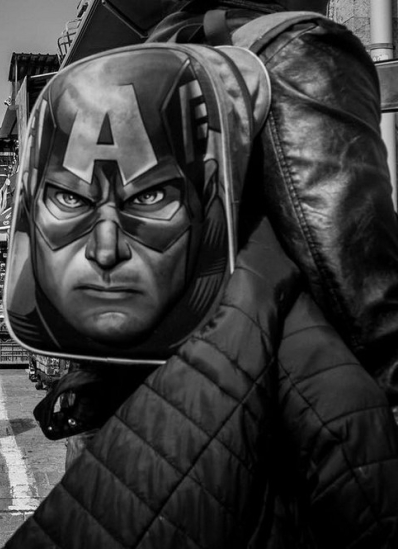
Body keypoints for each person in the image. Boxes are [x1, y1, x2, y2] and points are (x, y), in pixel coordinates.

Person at [4, 43, 398, 547]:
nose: (105, 250)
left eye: (150, 197)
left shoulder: (160, 44)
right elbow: (346, 253)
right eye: (70, 198)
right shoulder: (298, 45)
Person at [143, 0, 398, 404]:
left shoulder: (154, 53)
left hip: (148, 394)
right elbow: (352, 278)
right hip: (269, 409)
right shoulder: (296, 47)